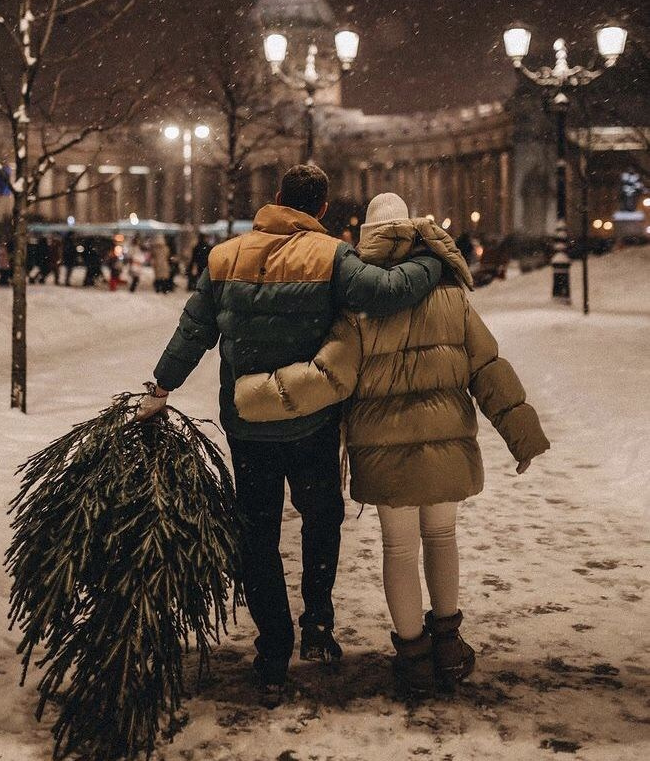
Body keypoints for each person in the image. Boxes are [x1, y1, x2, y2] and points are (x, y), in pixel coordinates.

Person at [136, 166, 442, 704]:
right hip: (313, 420)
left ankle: (273, 649)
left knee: (257, 533)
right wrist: (433, 255)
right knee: (321, 517)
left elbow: (193, 330)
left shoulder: (225, 256)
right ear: (320, 209)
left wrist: (161, 387)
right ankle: (318, 624)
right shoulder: (332, 257)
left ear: (275, 199)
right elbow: (389, 292)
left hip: (249, 424)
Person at [234, 193, 550, 699]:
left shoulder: (359, 306)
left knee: (399, 548)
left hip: (382, 449)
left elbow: (326, 376)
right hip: (446, 442)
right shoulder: (449, 293)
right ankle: (448, 645)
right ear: (415, 228)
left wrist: (254, 394)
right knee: (442, 538)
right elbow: (488, 366)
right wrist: (522, 435)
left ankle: (412, 655)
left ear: (368, 239)